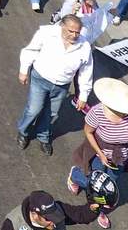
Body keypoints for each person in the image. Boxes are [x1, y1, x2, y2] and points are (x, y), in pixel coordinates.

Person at [67, 77, 128, 230]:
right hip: (99, 154)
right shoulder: (97, 112)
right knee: (93, 184)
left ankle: (101, 209)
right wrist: (101, 154)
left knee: (109, 187)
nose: (126, 112)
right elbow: (88, 132)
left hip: (120, 157)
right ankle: (75, 175)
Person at [17, 14, 93, 156]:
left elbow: (86, 72)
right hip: (40, 79)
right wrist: (23, 70)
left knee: (51, 113)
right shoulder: (47, 33)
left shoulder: (85, 46)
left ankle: (43, 136)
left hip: (61, 86)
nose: (75, 35)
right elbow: (31, 50)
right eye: (71, 31)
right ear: (62, 26)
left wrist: (83, 96)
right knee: (34, 109)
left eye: (77, 32)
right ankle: (23, 131)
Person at [0, 190, 101, 230]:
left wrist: (92, 209)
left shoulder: (57, 209)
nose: (55, 221)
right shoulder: (12, 224)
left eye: (55, 215)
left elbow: (80, 214)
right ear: (35, 215)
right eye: (49, 219)